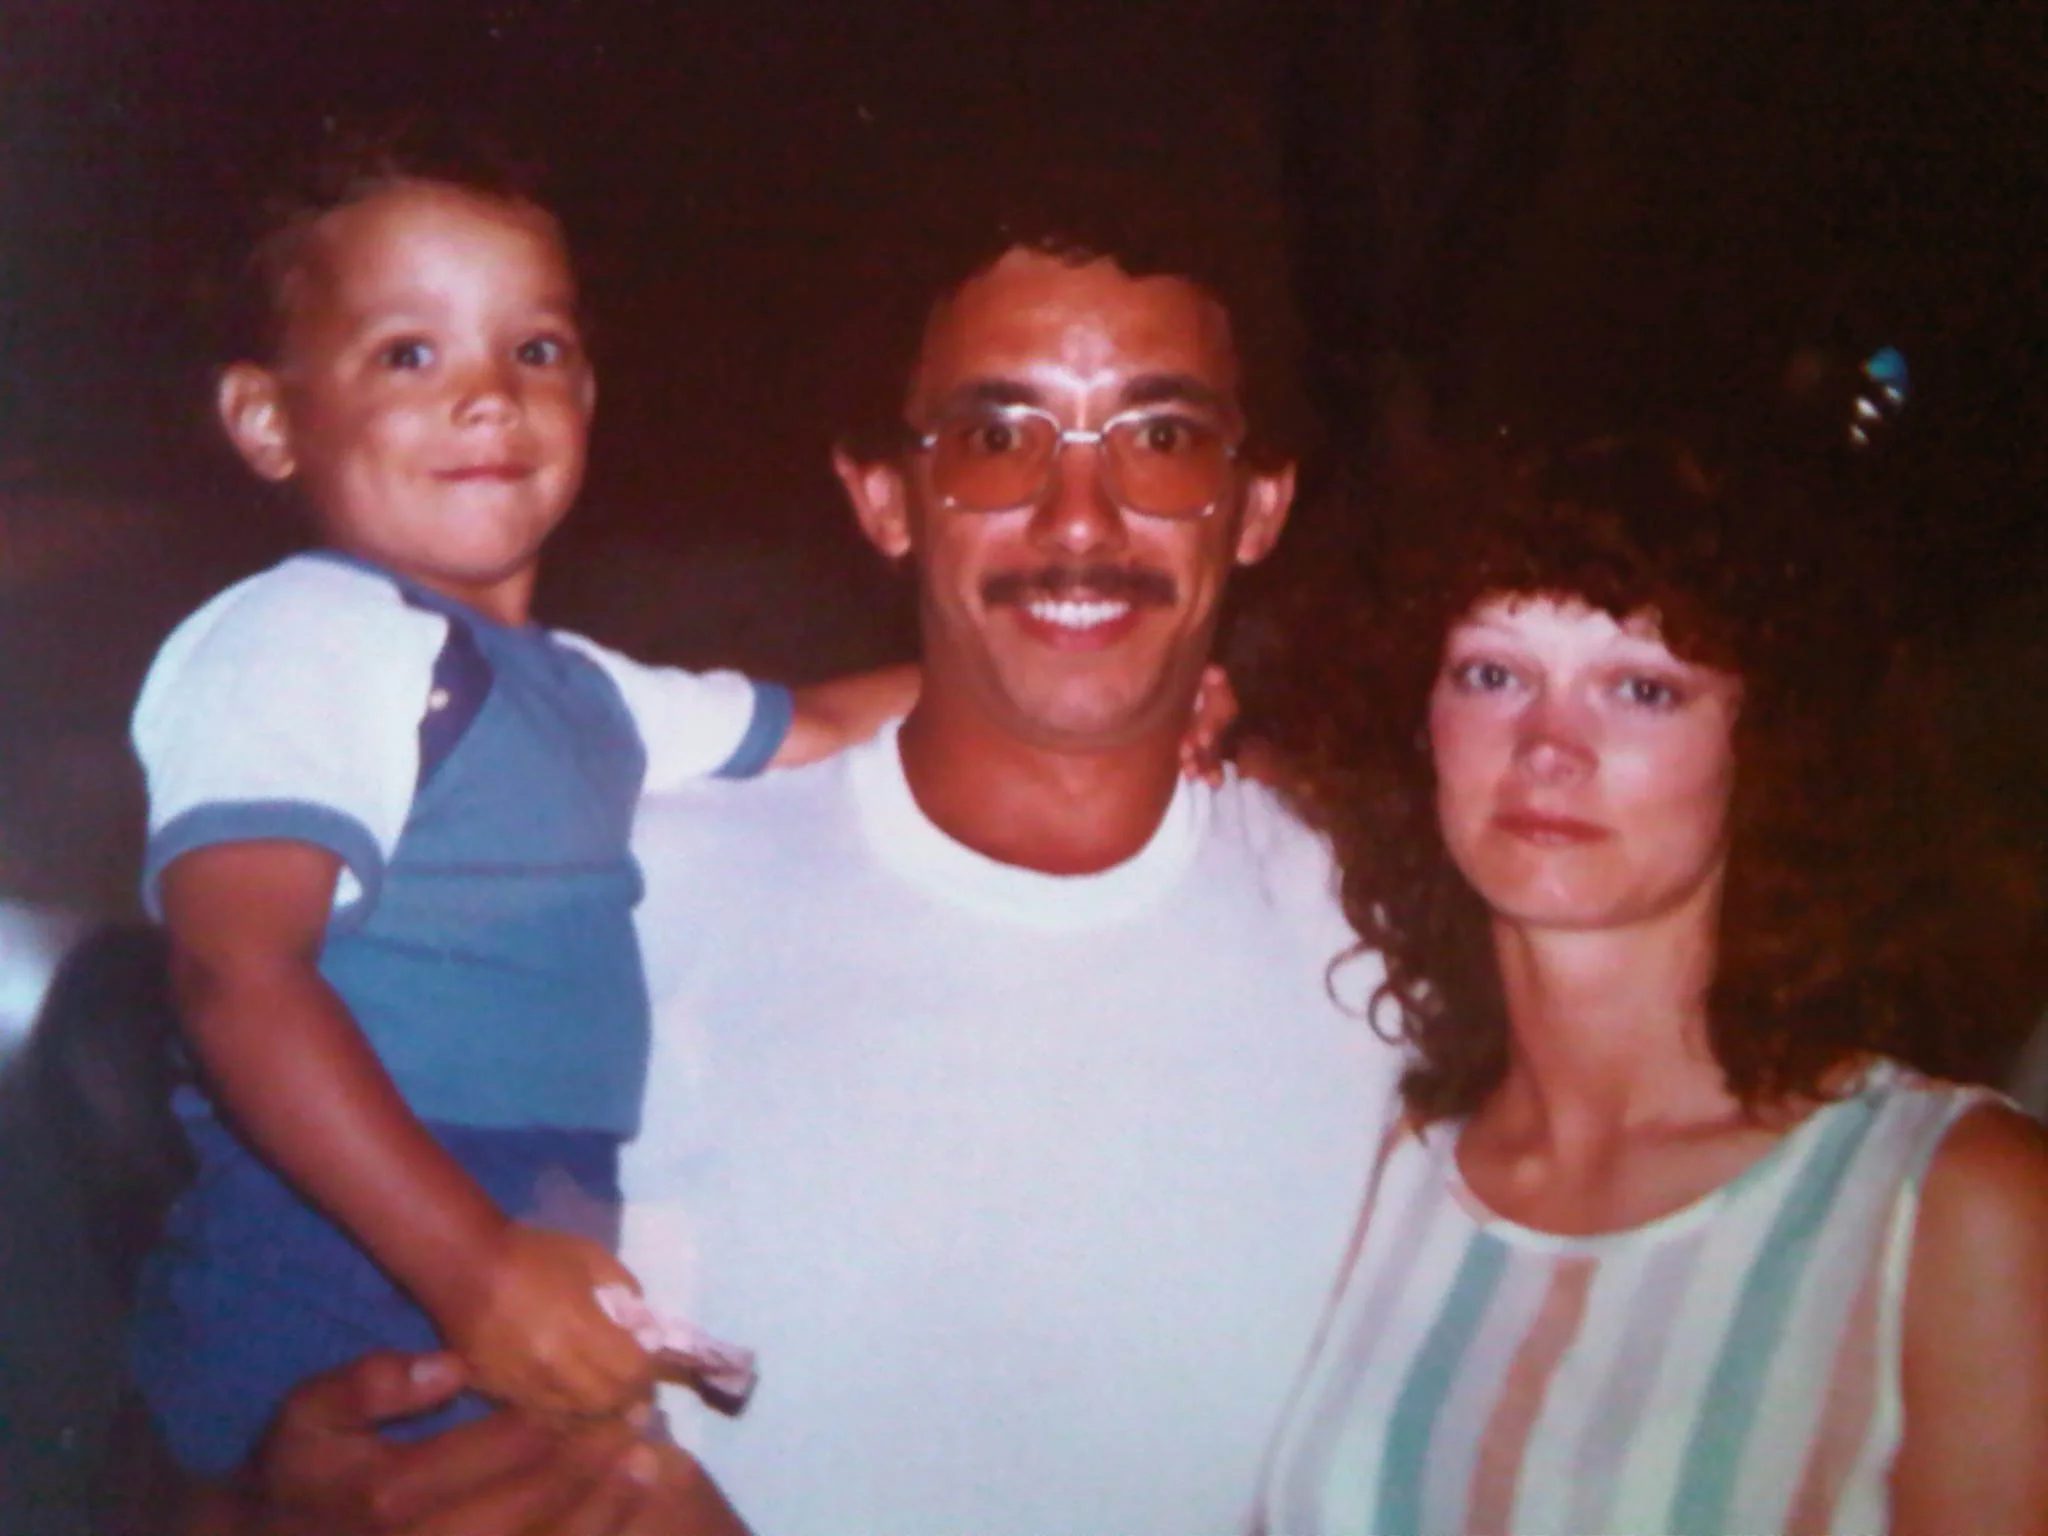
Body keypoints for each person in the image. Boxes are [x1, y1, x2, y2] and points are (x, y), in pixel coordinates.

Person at [205, 185, 1402, 1533]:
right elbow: (226, 1343)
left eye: (1164, 439)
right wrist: (261, 1507)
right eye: (996, 438)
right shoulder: (611, 890)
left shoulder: (1389, 937)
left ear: (1257, 506)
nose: (1081, 519)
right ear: (885, 498)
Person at [125, 121, 919, 1482]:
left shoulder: (584, 692)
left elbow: (828, 724)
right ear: (268, 420)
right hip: (348, 1250)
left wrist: (1117, 699)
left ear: (588, 396)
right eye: (408, 354)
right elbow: (234, 970)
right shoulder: (304, 633)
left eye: (534, 350)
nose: (489, 396)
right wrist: (473, 1265)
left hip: (522, 1232)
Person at [1252, 434, 2048, 1535]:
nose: (1546, 746)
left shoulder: (1948, 1205)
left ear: (1763, 745)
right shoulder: (1374, 1173)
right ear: (1420, 723)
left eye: (1640, 688)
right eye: (1492, 674)